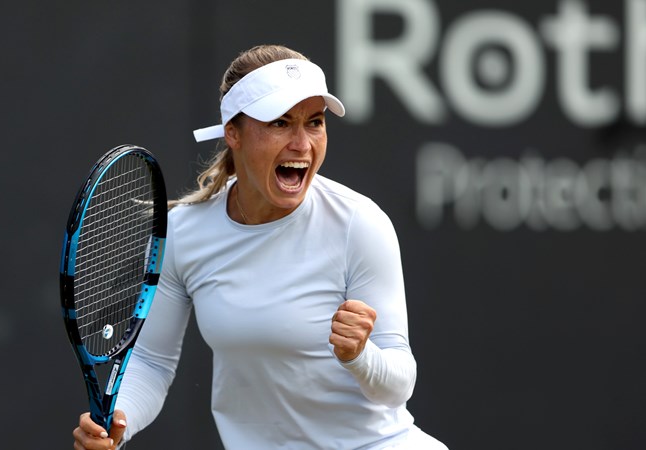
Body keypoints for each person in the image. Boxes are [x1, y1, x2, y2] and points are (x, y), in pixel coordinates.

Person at [72, 44, 448, 450]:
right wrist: (117, 423)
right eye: (280, 123)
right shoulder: (183, 233)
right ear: (232, 132)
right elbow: (151, 362)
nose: (302, 143)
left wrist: (360, 355)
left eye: (315, 122)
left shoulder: (360, 223)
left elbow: (398, 384)